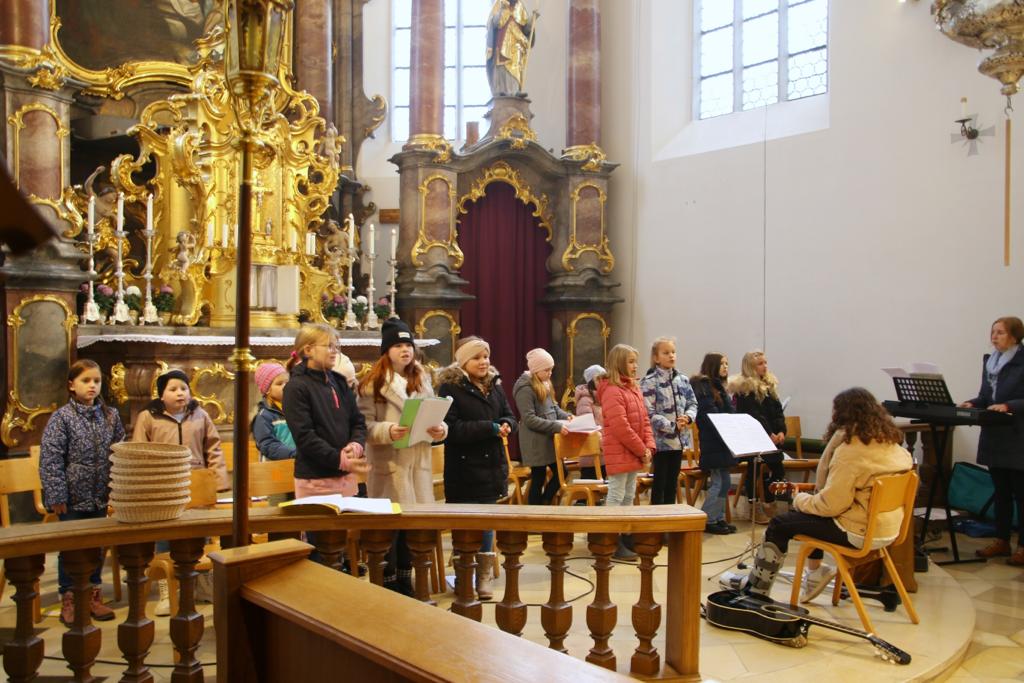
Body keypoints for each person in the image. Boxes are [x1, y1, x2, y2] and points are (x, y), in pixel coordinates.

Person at [742, 388, 913, 602]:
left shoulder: (851, 449)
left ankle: (756, 590)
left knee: (781, 523)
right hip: (889, 529)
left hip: (858, 530)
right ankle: (815, 572)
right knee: (808, 518)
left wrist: (799, 499)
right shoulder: (892, 444)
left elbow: (830, 505)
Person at [357, 319, 447, 594]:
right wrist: (389, 430)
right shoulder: (372, 384)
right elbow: (364, 426)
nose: (405, 350)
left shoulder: (423, 379)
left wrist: (439, 429)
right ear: (387, 351)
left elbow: (435, 416)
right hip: (390, 465)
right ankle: (388, 582)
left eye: (408, 344)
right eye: (398, 345)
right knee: (391, 529)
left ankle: (408, 579)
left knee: (414, 526)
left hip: (417, 464)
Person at [133, 368, 227, 614]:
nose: (179, 393)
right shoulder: (148, 417)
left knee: (201, 534)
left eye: (183, 388)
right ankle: (168, 589)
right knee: (167, 534)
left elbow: (213, 447)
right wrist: (145, 483)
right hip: (163, 483)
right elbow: (139, 451)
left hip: (196, 481)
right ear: (161, 394)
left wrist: (216, 481)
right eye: (173, 389)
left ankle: (201, 585)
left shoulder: (200, 415)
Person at [39, 359, 125, 626]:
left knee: (96, 547)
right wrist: (56, 496)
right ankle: (70, 596)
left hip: (101, 493)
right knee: (72, 548)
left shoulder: (110, 416)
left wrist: (118, 489)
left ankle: (92, 594)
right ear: (71, 385)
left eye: (96, 381)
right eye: (85, 381)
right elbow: (51, 458)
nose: (91, 386)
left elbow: (119, 451)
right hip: (72, 496)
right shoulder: (62, 418)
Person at [436, 336, 518, 599]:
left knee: (486, 523)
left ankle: (483, 576)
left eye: (486, 356)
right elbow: (452, 429)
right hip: (464, 467)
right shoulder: (450, 388)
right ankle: (463, 574)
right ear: (463, 361)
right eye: (477, 357)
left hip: (492, 466)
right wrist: (489, 427)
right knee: (464, 523)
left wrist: (506, 424)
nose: (484, 362)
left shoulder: (495, 386)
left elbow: (509, 415)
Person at [962, 316, 1024, 565]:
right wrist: (973, 403)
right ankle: (1001, 540)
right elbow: (985, 396)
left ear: (1014, 336)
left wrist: (1009, 405)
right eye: (993, 332)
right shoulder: (991, 362)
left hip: (1018, 435)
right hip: (995, 435)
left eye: (1000, 332)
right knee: (1000, 492)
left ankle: (1022, 546)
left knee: (1022, 494)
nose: (994, 337)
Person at [283, 323, 369, 500]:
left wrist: (355, 446)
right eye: (329, 346)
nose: (334, 351)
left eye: (336, 347)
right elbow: (305, 436)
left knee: (351, 527)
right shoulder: (296, 387)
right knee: (322, 528)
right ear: (308, 350)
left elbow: (357, 421)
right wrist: (340, 459)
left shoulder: (339, 382)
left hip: (345, 476)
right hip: (315, 479)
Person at [596, 344, 655, 561]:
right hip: (620, 450)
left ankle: (625, 536)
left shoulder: (633, 388)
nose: (635, 366)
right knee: (617, 494)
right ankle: (609, 541)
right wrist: (641, 449)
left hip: (633, 450)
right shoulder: (612, 390)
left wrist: (649, 447)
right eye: (630, 362)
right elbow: (621, 427)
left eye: (635, 361)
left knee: (629, 494)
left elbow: (645, 420)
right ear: (619, 363)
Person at [729, 350, 787, 524]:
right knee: (753, 469)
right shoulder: (745, 389)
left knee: (778, 468)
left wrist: (781, 431)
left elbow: (777, 412)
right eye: (760, 364)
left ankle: (769, 501)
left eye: (765, 363)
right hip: (753, 438)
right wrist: (768, 433)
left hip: (772, 438)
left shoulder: (769, 385)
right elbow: (754, 415)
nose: (765, 366)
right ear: (751, 367)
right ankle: (753, 507)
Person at [640, 337, 698, 506]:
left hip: (679, 441)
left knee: (672, 482)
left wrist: (688, 417)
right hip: (661, 441)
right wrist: (671, 425)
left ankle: (670, 517)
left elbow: (692, 403)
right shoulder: (649, 381)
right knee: (660, 481)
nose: (671, 356)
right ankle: (657, 517)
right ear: (656, 358)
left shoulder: (683, 379)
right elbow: (648, 413)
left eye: (673, 352)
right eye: (666, 353)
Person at [513, 348, 571, 506]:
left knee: (562, 472)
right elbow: (530, 419)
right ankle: (535, 510)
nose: (550, 373)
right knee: (538, 477)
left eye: (551, 369)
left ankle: (545, 501)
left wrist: (567, 417)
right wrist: (557, 427)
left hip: (548, 439)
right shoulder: (524, 388)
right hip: (535, 442)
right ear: (536, 370)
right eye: (547, 370)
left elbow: (554, 408)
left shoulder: (544, 383)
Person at [690, 353, 736, 535]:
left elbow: (729, 410)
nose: (726, 367)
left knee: (725, 482)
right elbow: (710, 415)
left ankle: (719, 518)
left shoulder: (719, 387)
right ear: (712, 365)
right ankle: (708, 518)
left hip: (723, 442)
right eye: (722, 364)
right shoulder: (703, 387)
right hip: (713, 442)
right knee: (718, 482)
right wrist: (727, 421)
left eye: (727, 363)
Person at [485, 0, 538, 97]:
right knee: (502, 66)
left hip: (516, 46)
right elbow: (493, 23)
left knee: (515, 68)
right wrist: (502, 10)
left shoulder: (520, 6)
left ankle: (514, 91)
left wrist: (531, 22)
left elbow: (525, 29)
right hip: (501, 44)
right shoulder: (499, 3)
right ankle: (501, 91)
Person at [252, 362, 295, 462]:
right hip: (274, 469)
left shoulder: (297, 410)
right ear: (267, 390)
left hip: (298, 465)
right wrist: (293, 453)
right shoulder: (264, 416)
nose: (285, 386)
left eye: (287, 382)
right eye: (279, 384)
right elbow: (268, 444)